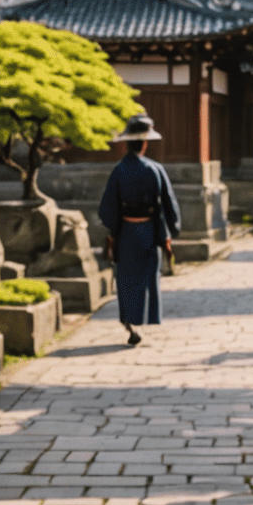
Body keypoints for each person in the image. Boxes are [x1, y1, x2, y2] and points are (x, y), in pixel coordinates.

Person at [98, 114, 181, 346]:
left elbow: (108, 208)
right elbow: (167, 203)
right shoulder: (155, 169)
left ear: (126, 143)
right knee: (146, 278)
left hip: (125, 233)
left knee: (125, 279)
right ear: (145, 143)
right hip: (148, 232)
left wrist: (113, 230)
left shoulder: (118, 171)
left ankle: (129, 323)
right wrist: (170, 231)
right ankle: (144, 317)